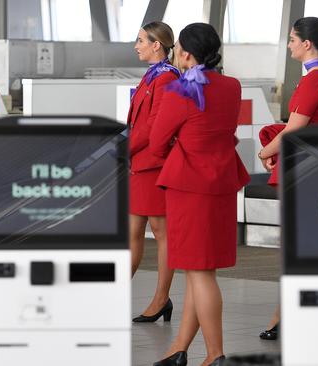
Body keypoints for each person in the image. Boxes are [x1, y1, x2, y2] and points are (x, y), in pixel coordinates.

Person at [149, 23, 249, 366]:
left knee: (200, 272)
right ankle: (179, 349)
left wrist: (178, 150)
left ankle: (215, 354)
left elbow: (157, 142)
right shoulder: (232, 86)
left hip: (189, 187)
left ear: (186, 53)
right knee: (201, 270)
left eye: (177, 47)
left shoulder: (179, 91)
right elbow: (226, 129)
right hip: (221, 183)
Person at [257, 17, 318, 341]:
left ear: (307, 44)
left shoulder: (314, 81)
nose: (290, 44)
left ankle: (288, 318)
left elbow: (294, 129)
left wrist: (265, 150)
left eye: (293, 39)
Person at [128, 21, 180, 323]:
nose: (136, 46)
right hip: (139, 164)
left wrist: (123, 149)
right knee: (132, 233)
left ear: (156, 45)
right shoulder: (152, 76)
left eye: (140, 41)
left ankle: (161, 299)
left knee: (161, 233)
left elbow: (154, 126)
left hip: (154, 165)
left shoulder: (166, 78)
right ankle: (109, 295)